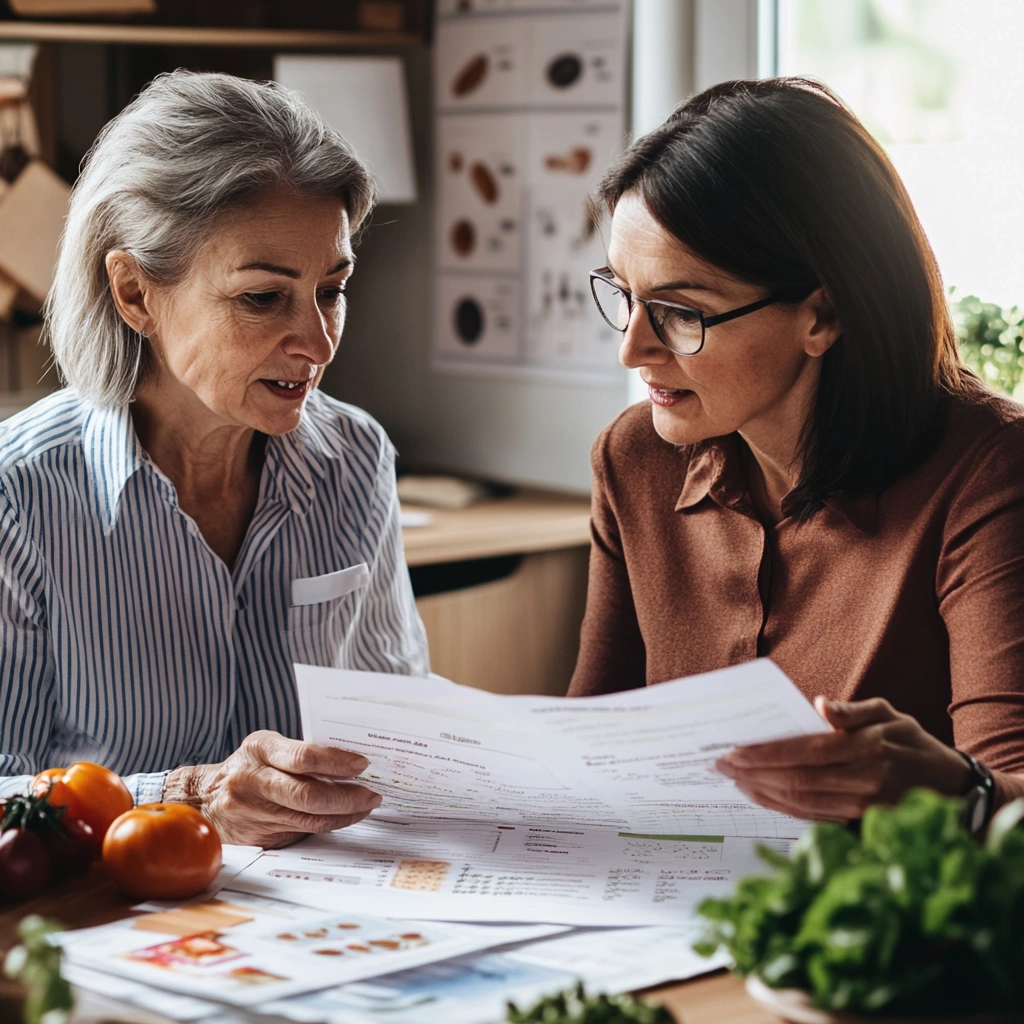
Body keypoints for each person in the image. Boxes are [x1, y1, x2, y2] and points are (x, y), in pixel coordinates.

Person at [570, 78, 1024, 831]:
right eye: (623, 293)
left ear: (824, 313)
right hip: (681, 926)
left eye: (682, 313)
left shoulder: (989, 475)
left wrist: (956, 791)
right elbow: (589, 748)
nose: (632, 348)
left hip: (882, 932)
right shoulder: (634, 460)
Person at [0, 70, 429, 848]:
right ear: (135, 294)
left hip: (320, 921)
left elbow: (400, 735)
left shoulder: (355, 460)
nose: (317, 341)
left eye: (331, 289)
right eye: (262, 299)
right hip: (111, 925)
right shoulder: (18, 497)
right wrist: (187, 796)